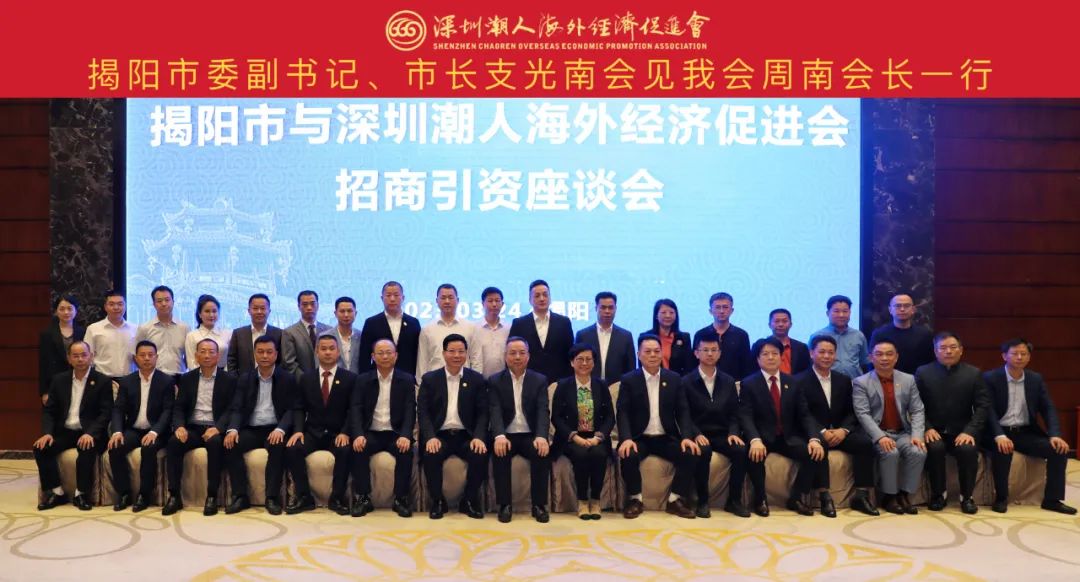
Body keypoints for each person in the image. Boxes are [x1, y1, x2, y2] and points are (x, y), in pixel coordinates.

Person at [740, 337, 832, 517]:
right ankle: (760, 499)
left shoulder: (793, 382)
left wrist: (814, 438)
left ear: (781, 357)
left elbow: (804, 414)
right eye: (765, 354)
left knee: (813, 452)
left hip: (787, 436)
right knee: (753, 455)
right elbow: (745, 415)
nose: (771, 357)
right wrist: (755, 440)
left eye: (775, 353)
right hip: (762, 437)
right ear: (758, 359)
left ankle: (796, 497)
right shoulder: (749, 383)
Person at [983, 338, 1075, 514]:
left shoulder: (1035, 379)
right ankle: (1001, 498)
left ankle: (1052, 500)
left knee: (1058, 450)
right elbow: (988, 411)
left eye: (1023, 354)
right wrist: (999, 435)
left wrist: (1055, 434)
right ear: (1004, 356)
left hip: (1025, 432)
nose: (1019, 357)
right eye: (1014, 353)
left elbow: (1048, 408)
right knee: (1003, 450)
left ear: (1029, 357)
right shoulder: (991, 378)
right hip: (998, 431)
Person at [617, 334, 702, 519]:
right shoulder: (629, 380)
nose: (653, 355)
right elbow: (622, 412)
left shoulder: (674, 379)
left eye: (656, 351)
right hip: (640, 438)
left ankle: (675, 500)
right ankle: (635, 499)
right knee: (628, 454)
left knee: (690, 453)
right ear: (639, 354)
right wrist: (626, 439)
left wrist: (687, 437)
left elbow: (683, 411)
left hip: (665, 437)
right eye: (647, 351)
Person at [795, 335, 879, 516]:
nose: (826, 356)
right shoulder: (799, 380)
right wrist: (822, 432)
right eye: (822, 352)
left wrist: (844, 430)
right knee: (820, 446)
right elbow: (803, 413)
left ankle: (861, 495)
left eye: (831, 352)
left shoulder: (843, 379)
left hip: (840, 432)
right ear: (811, 353)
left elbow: (852, 410)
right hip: (816, 433)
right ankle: (824, 496)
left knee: (865, 444)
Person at [915, 331, 991, 514]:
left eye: (952, 347)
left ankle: (967, 497)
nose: (948, 351)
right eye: (942, 348)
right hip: (934, 430)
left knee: (967, 449)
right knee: (935, 448)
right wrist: (927, 427)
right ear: (935, 351)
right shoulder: (923, 373)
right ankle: (938, 495)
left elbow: (982, 406)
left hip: (962, 430)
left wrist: (970, 431)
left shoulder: (973, 373)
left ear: (961, 350)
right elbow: (915, 405)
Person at [417, 334, 489, 519]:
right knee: (431, 454)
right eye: (452, 351)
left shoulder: (476, 380)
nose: (457, 355)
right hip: (439, 434)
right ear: (443, 353)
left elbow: (483, 413)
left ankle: (469, 501)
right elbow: (423, 413)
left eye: (461, 351)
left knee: (480, 453)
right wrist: (430, 437)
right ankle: (438, 501)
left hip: (467, 435)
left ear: (466, 354)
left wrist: (478, 437)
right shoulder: (430, 379)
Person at [34, 340, 112, 511]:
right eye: (75, 356)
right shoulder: (59, 380)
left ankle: (81, 494)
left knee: (86, 448)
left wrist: (91, 433)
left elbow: (105, 413)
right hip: (65, 431)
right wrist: (47, 433)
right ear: (69, 358)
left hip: (90, 433)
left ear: (91, 357)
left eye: (84, 355)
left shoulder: (102, 381)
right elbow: (49, 411)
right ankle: (57, 492)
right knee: (41, 448)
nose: (80, 359)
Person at [223, 336, 296, 515]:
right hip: (251, 428)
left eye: (269, 352)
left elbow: (292, 409)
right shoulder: (245, 378)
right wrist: (233, 429)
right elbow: (237, 407)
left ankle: (271, 497)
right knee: (231, 444)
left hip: (274, 429)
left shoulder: (287, 378)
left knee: (278, 446)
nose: (264, 356)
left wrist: (280, 429)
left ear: (276, 355)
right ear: (255, 354)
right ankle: (240, 496)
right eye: (260, 352)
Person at [163, 338, 237, 516]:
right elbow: (179, 407)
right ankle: (174, 496)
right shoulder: (187, 378)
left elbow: (232, 408)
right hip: (193, 428)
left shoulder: (229, 379)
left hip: (215, 428)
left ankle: (212, 496)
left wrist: (218, 428)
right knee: (174, 442)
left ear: (218, 356)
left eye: (211, 352)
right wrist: (179, 426)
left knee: (215, 443)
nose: (207, 355)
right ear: (196, 356)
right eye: (202, 352)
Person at [286, 335, 359, 515]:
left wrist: (345, 432)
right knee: (293, 449)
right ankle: (304, 497)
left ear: (338, 352)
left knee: (345, 450)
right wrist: (298, 430)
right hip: (313, 432)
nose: (327, 352)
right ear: (317, 352)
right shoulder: (306, 378)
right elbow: (299, 408)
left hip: (337, 433)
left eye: (331, 348)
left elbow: (353, 410)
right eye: (323, 349)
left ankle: (337, 498)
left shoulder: (350, 378)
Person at [853, 339, 927, 515]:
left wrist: (917, 435)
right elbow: (863, 414)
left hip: (903, 433)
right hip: (878, 433)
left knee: (918, 451)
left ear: (896, 357)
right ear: (871, 357)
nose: (884, 358)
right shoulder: (861, 382)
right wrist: (880, 437)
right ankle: (889, 496)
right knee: (890, 452)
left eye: (889, 354)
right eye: (879, 354)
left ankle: (904, 494)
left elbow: (917, 410)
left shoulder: (908, 379)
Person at [683, 331, 750, 518]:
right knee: (702, 451)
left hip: (723, 433)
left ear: (720, 353)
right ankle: (702, 501)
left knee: (740, 450)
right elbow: (684, 414)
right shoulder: (686, 382)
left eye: (714, 350)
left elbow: (735, 413)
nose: (710, 354)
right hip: (699, 433)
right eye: (705, 350)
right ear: (696, 353)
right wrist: (695, 434)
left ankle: (734, 501)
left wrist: (733, 432)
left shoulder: (728, 381)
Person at [488, 337, 552, 523]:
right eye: (513, 353)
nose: (517, 357)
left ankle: (539, 505)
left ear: (528, 356)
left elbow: (542, 410)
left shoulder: (539, 380)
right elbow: (494, 410)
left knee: (541, 452)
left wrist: (541, 436)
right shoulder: (495, 381)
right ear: (505, 356)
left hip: (530, 435)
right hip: (506, 434)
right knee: (500, 452)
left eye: (522, 353)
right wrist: (499, 435)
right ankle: (504, 505)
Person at [350, 339, 416, 518]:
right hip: (371, 432)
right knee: (358, 448)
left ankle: (401, 498)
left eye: (389, 352)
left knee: (406, 450)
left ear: (396, 356)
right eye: (380, 353)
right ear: (373, 356)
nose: (385, 356)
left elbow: (410, 410)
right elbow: (355, 409)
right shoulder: (363, 380)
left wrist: (406, 435)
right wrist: (358, 434)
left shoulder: (406, 380)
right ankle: (364, 498)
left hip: (396, 433)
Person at [107, 340, 175, 512]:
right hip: (134, 429)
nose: (146, 358)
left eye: (150, 355)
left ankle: (144, 495)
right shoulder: (127, 381)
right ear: (135, 358)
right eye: (142, 355)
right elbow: (118, 409)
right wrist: (117, 431)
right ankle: (124, 493)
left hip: (157, 431)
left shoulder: (166, 381)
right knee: (115, 447)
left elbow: (168, 411)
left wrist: (154, 432)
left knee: (149, 448)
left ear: (156, 357)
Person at [551, 343, 614, 520]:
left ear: (594, 363)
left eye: (588, 359)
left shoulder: (601, 385)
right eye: (580, 359)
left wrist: (598, 437)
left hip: (596, 437)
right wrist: (574, 437)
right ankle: (582, 501)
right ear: (572, 362)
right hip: (570, 437)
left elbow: (610, 417)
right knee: (581, 454)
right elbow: (556, 417)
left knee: (599, 454)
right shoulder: (563, 385)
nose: (584, 363)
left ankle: (595, 500)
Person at [509, 280, 575, 383]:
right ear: (530, 300)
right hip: (528, 382)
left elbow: (570, 354)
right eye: (537, 296)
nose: (542, 298)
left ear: (550, 298)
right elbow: (511, 353)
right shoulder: (519, 323)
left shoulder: (564, 322)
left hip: (558, 382)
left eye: (545, 295)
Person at [357, 281, 421, 375]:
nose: (392, 299)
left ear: (403, 298)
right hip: (378, 377)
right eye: (388, 295)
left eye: (396, 295)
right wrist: (364, 379)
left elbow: (418, 354)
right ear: (382, 298)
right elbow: (364, 356)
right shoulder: (371, 323)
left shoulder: (413, 323)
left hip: (407, 377)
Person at [416, 284, 475, 378]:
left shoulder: (470, 327)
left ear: (457, 300)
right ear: (437, 301)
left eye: (450, 297)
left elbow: (475, 359)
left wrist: (475, 382)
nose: (447, 301)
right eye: (443, 298)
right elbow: (422, 362)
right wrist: (421, 384)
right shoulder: (427, 329)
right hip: (435, 382)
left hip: (464, 381)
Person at [575, 291, 636, 382]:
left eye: (610, 308)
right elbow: (577, 364)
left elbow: (630, 368)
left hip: (616, 387)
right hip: (589, 385)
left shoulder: (626, 336)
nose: (607, 311)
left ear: (615, 309)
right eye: (603, 307)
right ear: (596, 308)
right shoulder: (583, 335)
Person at [692, 292, 754, 380]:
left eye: (725, 307)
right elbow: (694, 363)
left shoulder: (741, 335)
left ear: (732, 310)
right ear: (710, 311)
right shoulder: (701, 334)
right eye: (717, 307)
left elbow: (746, 364)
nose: (721, 311)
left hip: (734, 383)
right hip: (705, 382)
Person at [868, 293, 935, 374]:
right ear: (890, 310)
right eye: (898, 306)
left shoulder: (925, 334)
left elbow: (930, 362)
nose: (902, 309)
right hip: (888, 379)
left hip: (917, 379)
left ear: (913, 309)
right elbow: (873, 361)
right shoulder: (879, 334)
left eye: (906, 306)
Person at [38, 294, 85, 403]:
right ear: (56, 311)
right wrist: (45, 391)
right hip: (55, 381)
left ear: (76, 311)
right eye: (62, 309)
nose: (66, 312)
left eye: (70, 309)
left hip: (78, 379)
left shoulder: (83, 332)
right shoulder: (47, 334)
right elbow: (43, 363)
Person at [134, 285, 189, 377]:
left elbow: (189, 356)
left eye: (167, 300)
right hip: (153, 377)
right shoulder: (145, 328)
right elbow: (135, 355)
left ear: (173, 302)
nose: (164, 304)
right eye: (159, 301)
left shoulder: (184, 328)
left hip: (179, 376)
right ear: (154, 304)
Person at [811, 295, 869, 378]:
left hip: (855, 382)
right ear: (828, 313)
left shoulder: (859, 335)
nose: (841, 315)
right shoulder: (817, 336)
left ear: (850, 313)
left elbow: (864, 362)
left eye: (845, 311)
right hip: (827, 382)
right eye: (836, 311)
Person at [84, 289, 136, 380]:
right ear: (105, 307)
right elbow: (87, 357)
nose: (116, 307)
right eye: (111, 304)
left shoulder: (135, 329)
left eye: (120, 304)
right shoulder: (93, 329)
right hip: (103, 379)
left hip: (129, 379)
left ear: (125, 306)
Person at [227, 293, 283, 375]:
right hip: (244, 381)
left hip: (272, 380)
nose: (259, 312)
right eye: (255, 308)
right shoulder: (238, 334)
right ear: (249, 311)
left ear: (269, 311)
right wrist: (236, 380)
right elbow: (231, 360)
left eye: (263, 308)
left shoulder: (279, 333)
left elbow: (282, 361)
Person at [282, 290, 331, 381]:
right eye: (305, 304)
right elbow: (289, 362)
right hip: (302, 382)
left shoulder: (329, 330)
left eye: (312, 304)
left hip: (327, 380)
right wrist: (306, 380)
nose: (309, 308)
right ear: (299, 307)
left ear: (318, 306)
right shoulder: (289, 332)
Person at [644, 299, 693, 375]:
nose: (668, 316)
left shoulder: (684, 338)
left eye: (671, 312)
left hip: (678, 380)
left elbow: (688, 366)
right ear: (656, 315)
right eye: (663, 312)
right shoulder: (646, 337)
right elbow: (643, 364)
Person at [469, 286, 510, 376]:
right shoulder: (474, 328)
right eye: (490, 301)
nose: (494, 304)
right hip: (479, 378)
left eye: (497, 301)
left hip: (503, 379)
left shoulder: (509, 328)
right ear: (482, 304)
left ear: (502, 304)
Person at [184, 294, 231, 371]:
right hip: (199, 375)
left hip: (224, 375)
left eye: (214, 311)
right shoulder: (192, 336)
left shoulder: (228, 334)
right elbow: (191, 363)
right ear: (200, 314)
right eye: (207, 311)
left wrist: (224, 376)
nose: (211, 315)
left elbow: (230, 361)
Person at [768, 308, 810, 375]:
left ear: (790, 324)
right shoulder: (760, 347)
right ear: (769, 325)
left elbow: (806, 372)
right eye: (777, 321)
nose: (781, 324)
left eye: (784, 321)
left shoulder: (801, 347)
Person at [329, 297, 362, 372]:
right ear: (335, 313)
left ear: (355, 313)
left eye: (349, 311)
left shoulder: (362, 336)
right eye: (342, 311)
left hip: (358, 378)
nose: (346, 315)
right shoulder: (325, 336)